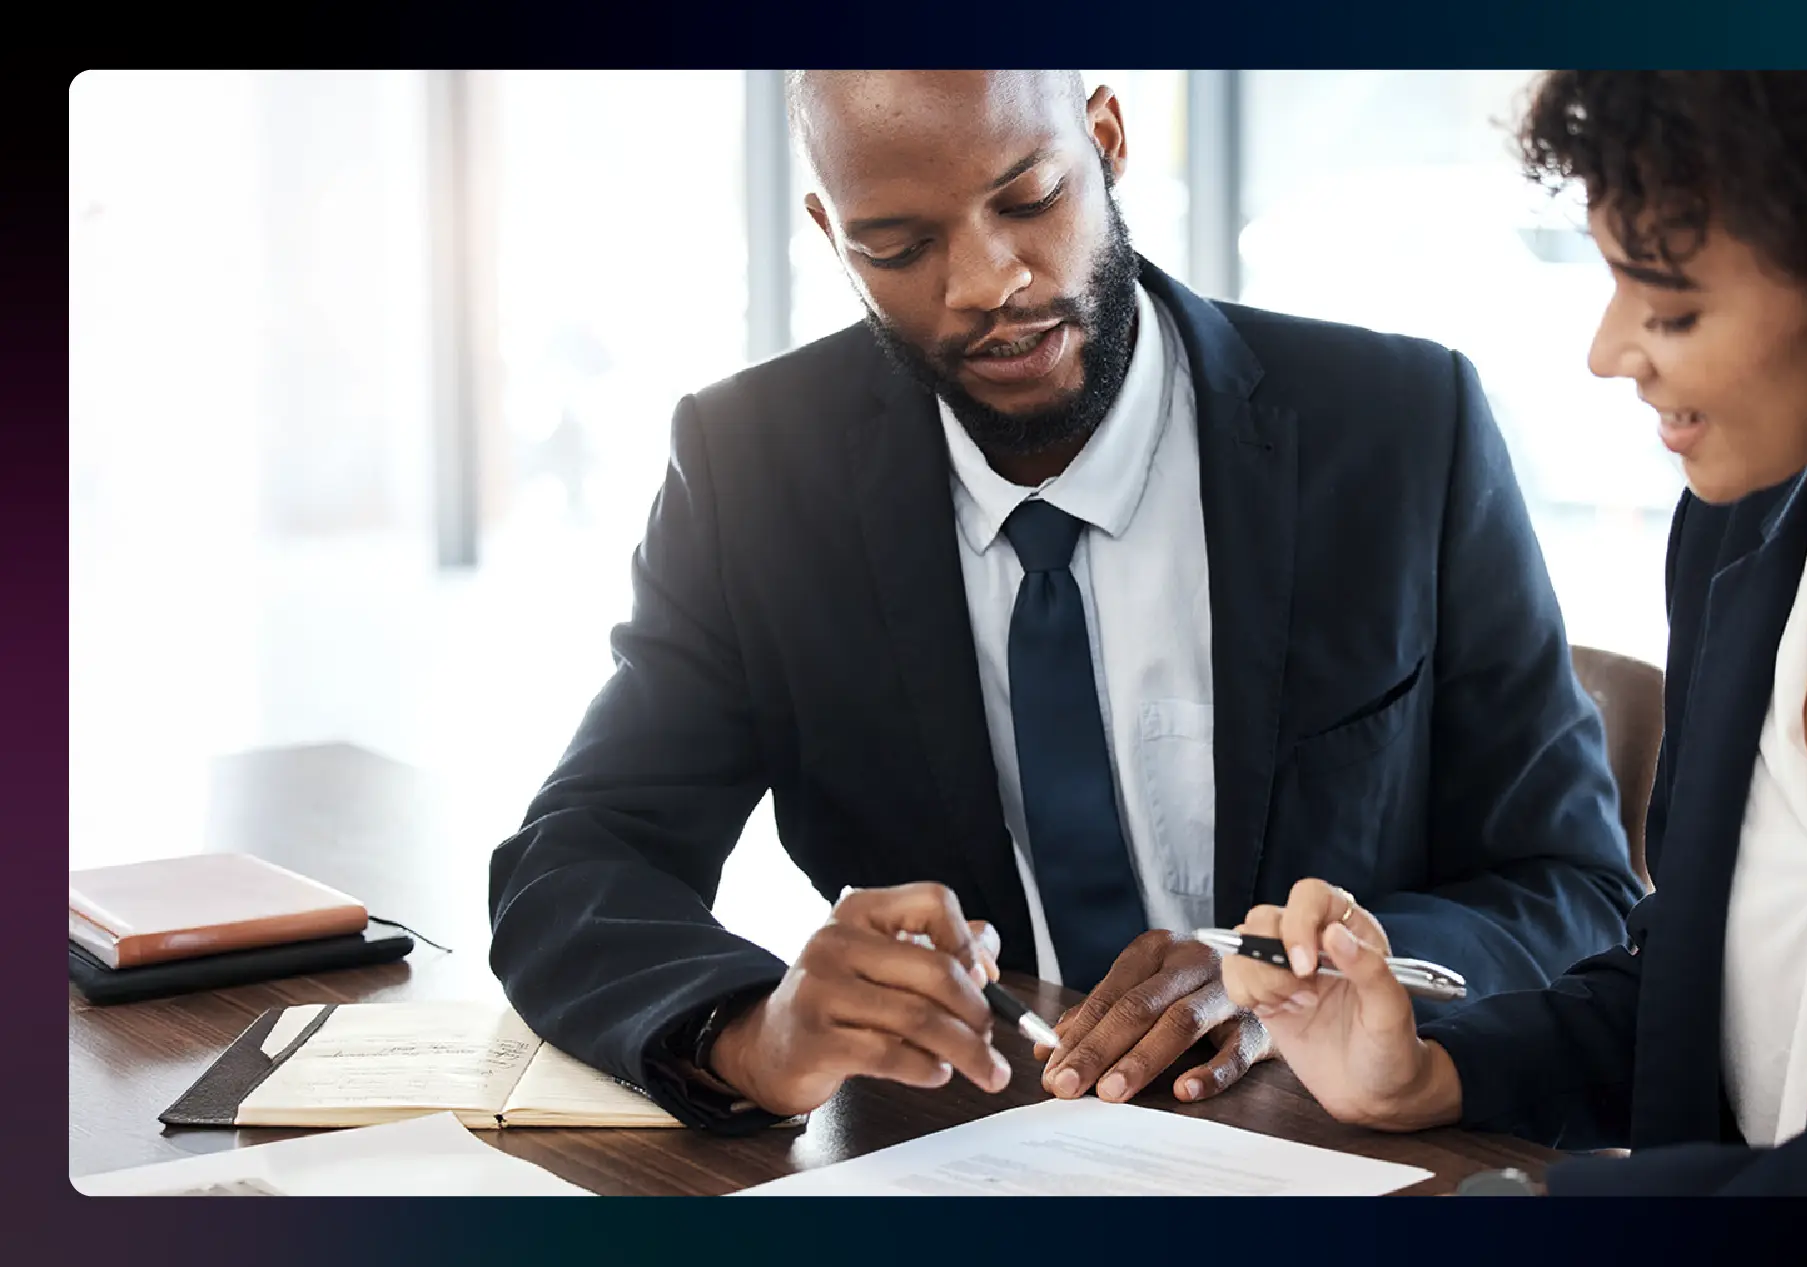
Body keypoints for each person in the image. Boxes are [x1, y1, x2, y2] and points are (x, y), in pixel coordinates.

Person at [487, 70, 1642, 1132]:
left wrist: (1320, 977)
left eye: (1029, 198)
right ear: (828, 235)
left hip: (1336, 1150)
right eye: (898, 245)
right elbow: (575, 860)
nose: (987, 282)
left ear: (1105, 139)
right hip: (970, 1152)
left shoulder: (1398, 429)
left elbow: (1571, 885)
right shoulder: (753, 472)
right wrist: (752, 1031)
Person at [1224, 70, 1807, 1195]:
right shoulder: (1741, 534)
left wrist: (1542, 1207)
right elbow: (1699, 991)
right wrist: (1431, 1072)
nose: (1608, 348)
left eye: (1669, 304)